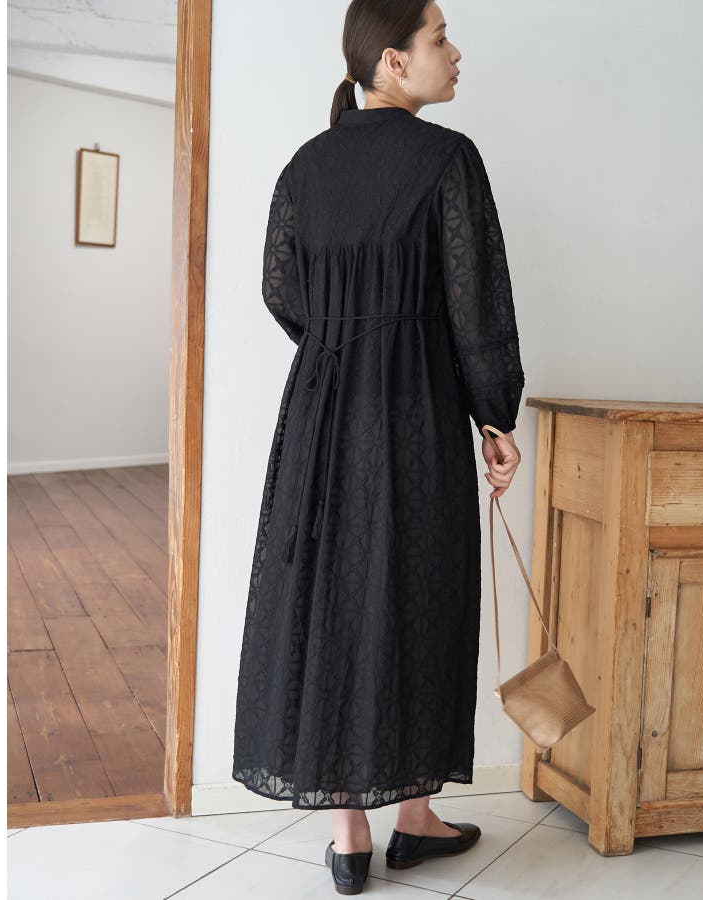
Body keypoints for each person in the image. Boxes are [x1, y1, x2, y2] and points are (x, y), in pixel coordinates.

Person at [231, 0, 524, 892]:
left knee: (330, 596)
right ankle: (416, 815)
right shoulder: (448, 159)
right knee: (416, 594)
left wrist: (341, 347)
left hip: (319, 415)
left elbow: (281, 290)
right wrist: (493, 414)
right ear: (393, 61)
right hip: (415, 414)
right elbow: (478, 307)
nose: (455, 53)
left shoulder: (304, 166)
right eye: (440, 38)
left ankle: (351, 837)